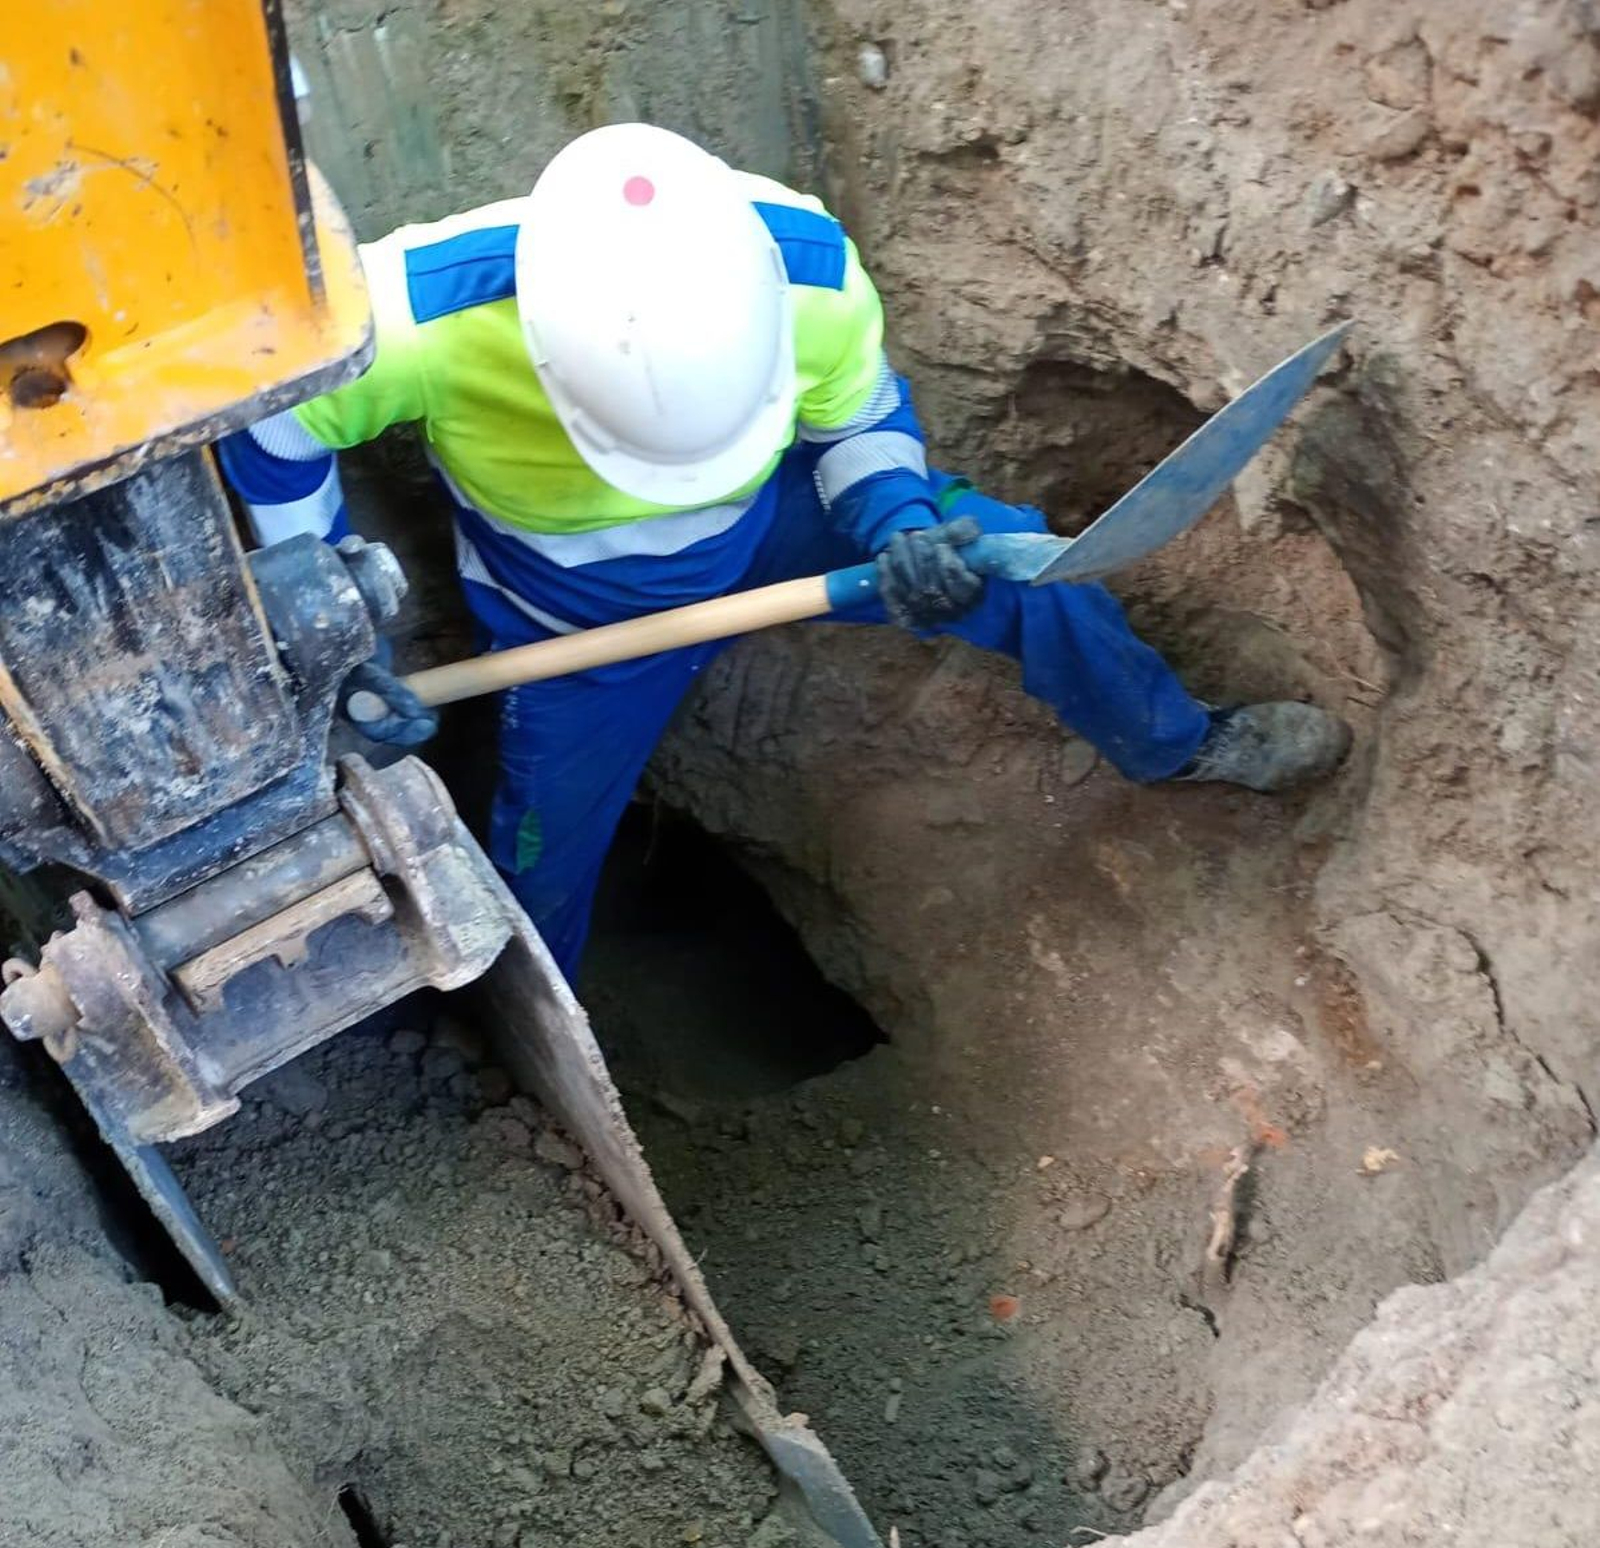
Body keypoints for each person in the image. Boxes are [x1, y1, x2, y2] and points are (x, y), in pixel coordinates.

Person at [221, 124, 1350, 983]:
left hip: (779, 527)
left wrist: (900, 525)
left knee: (1024, 569)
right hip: (573, 628)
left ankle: (1177, 743)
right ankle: (535, 1036)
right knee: (538, 866)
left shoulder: (801, 267)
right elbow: (272, 427)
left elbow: (856, 424)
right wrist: (335, 614)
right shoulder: (416, 315)